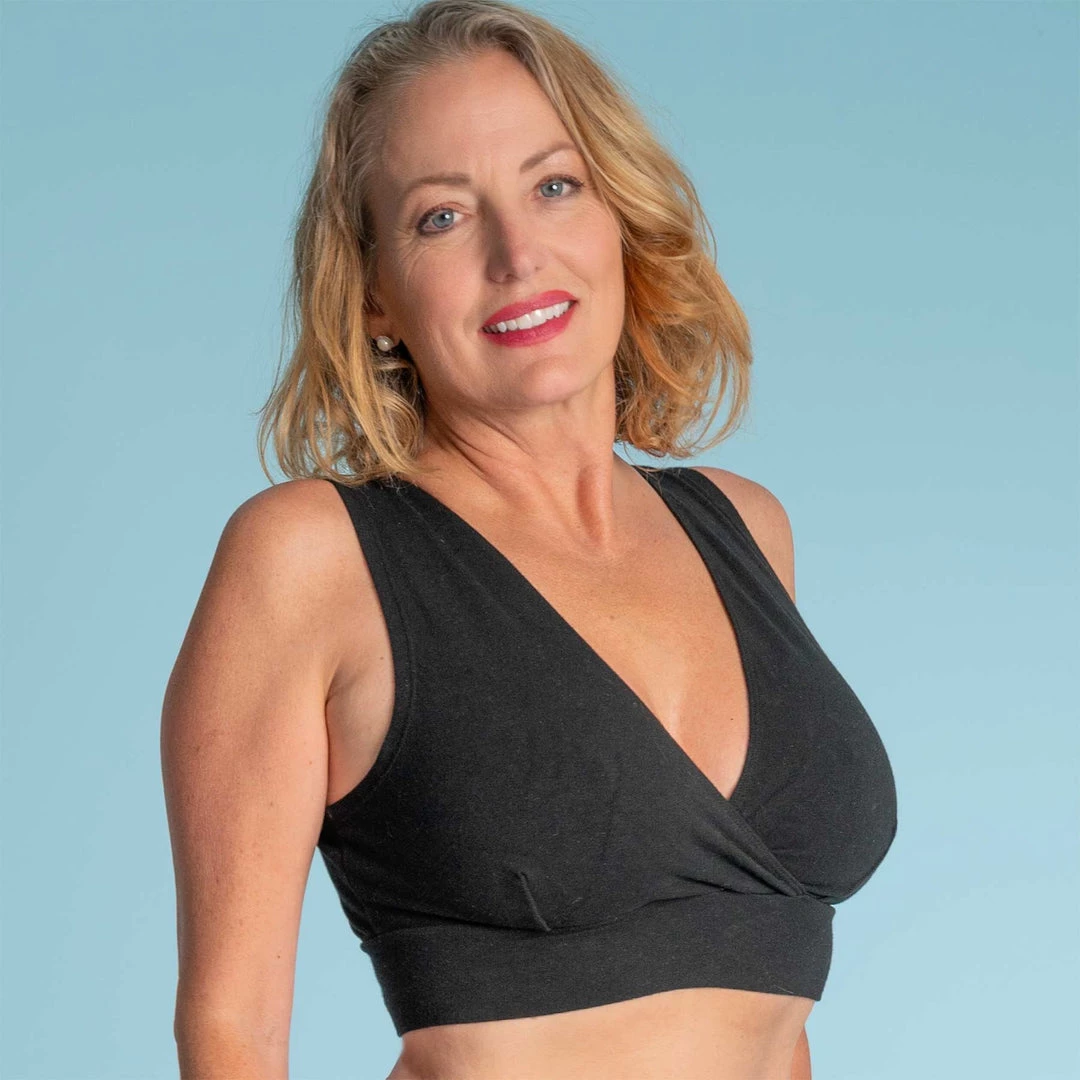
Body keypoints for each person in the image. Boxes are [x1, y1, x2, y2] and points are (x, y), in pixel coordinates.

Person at [161, 2, 898, 1077]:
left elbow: (771, 1012)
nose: (517, 254)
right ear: (373, 294)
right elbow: (231, 1031)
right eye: (441, 218)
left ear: (619, 215)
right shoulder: (312, 558)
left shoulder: (745, 528)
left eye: (555, 186)